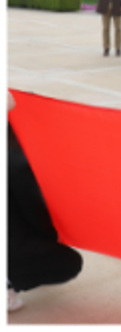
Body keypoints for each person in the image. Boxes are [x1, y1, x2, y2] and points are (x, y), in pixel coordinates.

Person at [7, 92, 83, 312]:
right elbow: (33, 208)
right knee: (67, 263)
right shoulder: (13, 160)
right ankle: (8, 281)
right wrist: (51, 236)